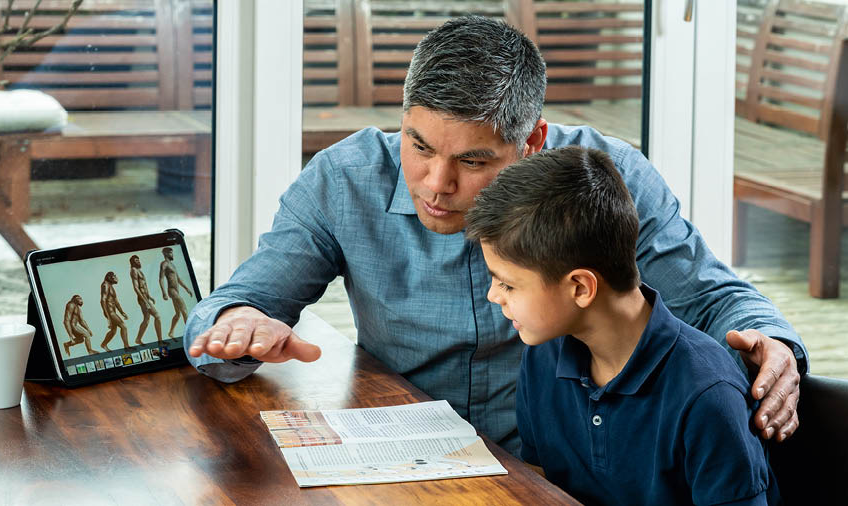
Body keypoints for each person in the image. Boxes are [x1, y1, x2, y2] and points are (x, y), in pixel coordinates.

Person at [185, 15, 806, 454]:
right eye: (418, 146)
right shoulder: (342, 179)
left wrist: (775, 345)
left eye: (474, 162)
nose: (435, 183)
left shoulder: (606, 177)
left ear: (533, 141)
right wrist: (241, 326)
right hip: (402, 457)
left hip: (569, 467)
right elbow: (227, 313)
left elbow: (714, 297)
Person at [466, 146, 779, 504]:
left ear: (581, 288)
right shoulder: (543, 357)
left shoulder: (708, 397)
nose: (494, 295)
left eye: (507, 283)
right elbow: (540, 486)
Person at [159, 247, 193, 339]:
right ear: (165, 254)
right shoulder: (164, 264)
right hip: (172, 290)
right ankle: (190, 334)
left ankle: (170, 332)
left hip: (176, 290)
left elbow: (178, 279)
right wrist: (164, 292)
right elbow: (161, 278)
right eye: (170, 253)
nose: (172, 255)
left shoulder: (172, 265)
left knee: (178, 314)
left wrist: (187, 289)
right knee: (184, 311)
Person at [130, 255, 163, 346]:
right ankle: (160, 341)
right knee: (157, 316)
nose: (139, 261)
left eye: (139, 260)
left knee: (146, 319)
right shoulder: (133, 270)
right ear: (133, 262)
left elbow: (144, 285)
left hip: (145, 297)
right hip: (142, 298)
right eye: (136, 260)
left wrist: (149, 296)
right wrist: (145, 300)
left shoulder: (139, 271)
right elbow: (136, 288)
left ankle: (138, 339)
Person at [99, 271, 131, 352]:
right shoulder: (105, 285)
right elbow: (102, 301)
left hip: (113, 311)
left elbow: (116, 302)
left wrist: (122, 312)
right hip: (109, 312)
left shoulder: (110, 286)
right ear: (110, 277)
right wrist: (108, 318)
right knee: (123, 327)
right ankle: (126, 347)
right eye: (114, 276)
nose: (116, 278)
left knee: (113, 331)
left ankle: (103, 345)